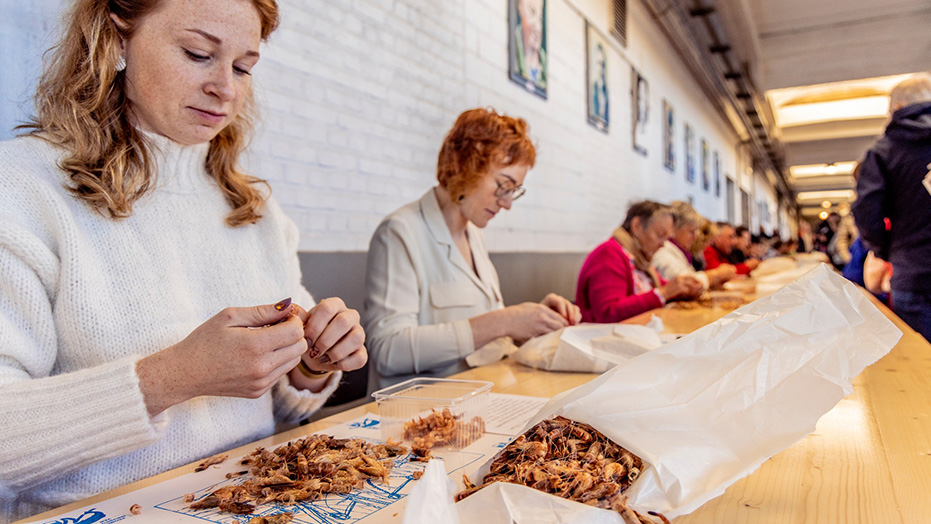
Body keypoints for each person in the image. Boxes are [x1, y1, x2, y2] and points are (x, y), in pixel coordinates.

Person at [0, 0, 367, 520]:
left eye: (243, 66)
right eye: (198, 54)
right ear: (116, 39)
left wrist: (311, 363)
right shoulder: (21, 189)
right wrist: (170, 378)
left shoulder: (254, 211)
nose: (227, 87)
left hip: (253, 503)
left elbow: (283, 411)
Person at [363, 108, 580, 391]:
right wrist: (505, 321)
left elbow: (492, 333)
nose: (507, 203)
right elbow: (388, 351)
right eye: (503, 185)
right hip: (421, 413)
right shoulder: (399, 232)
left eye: (514, 191)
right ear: (465, 167)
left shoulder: (473, 235)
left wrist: (533, 321)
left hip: (480, 395)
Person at [852, 72, 931, 341]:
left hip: (915, 272)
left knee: (921, 368)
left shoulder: (885, 151)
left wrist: (886, 249)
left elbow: (867, 211)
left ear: (896, 108)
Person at [576, 201, 703, 323]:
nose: (663, 244)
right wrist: (665, 292)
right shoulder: (609, 253)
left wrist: (683, 289)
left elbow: (659, 287)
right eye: (660, 235)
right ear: (636, 225)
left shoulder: (639, 257)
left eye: (666, 237)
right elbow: (608, 313)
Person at [652, 201, 736, 289]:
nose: (696, 237)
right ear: (673, 229)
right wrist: (717, 275)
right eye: (692, 231)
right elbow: (683, 283)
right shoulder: (662, 253)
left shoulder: (680, 252)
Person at [513, 0, 546, 91]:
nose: (537, 26)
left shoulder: (544, 62)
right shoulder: (514, 51)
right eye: (531, 13)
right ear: (521, 11)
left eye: (540, 19)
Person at [590, 43, 608, 124]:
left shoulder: (606, 91)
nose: (601, 68)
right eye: (598, 63)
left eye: (602, 64)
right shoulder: (593, 88)